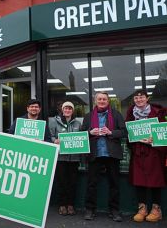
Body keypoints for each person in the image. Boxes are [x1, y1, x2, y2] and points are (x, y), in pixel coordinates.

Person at [80, 92, 127, 222]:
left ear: (108, 101)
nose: (102, 101)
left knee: (114, 184)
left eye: (104, 99)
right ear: (95, 101)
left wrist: (111, 132)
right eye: (99, 99)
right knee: (91, 184)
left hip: (111, 154)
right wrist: (89, 132)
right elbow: (81, 133)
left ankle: (114, 210)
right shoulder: (88, 116)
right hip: (95, 153)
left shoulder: (116, 114)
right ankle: (90, 209)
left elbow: (124, 132)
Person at [125, 89, 167, 222]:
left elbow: (163, 133)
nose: (139, 100)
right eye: (136, 98)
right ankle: (142, 208)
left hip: (154, 152)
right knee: (139, 180)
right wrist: (132, 139)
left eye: (141, 97)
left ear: (147, 98)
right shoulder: (130, 115)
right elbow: (127, 135)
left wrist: (154, 139)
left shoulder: (158, 113)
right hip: (138, 151)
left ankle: (156, 210)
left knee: (155, 180)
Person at [50, 101, 82, 216]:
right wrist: (55, 140)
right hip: (60, 158)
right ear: (62, 110)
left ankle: (70, 205)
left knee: (72, 183)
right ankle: (62, 205)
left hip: (74, 158)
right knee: (62, 182)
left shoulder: (78, 123)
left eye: (70, 109)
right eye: (65, 108)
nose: (67, 110)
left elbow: (81, 138)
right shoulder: (54, 121)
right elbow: (50, 136)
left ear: (72, 111)